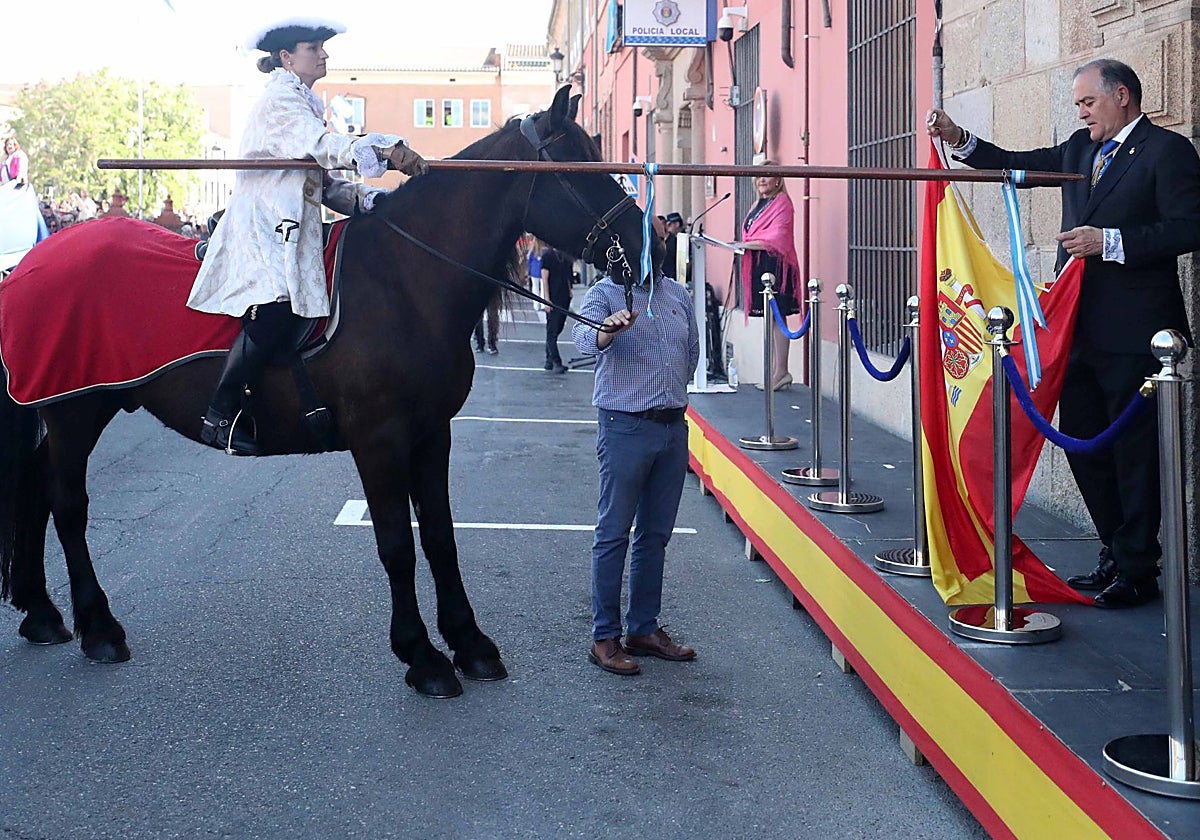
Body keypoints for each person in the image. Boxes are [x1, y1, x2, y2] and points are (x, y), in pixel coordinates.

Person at [927, 58, 1200, 609]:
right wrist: (959, 138)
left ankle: (1139, 567)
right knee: (1082, 443)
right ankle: (1113, 548)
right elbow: (1014, 164)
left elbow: (1189, 226)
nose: (1080, 112)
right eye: (1077, 104)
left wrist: (1112, 242)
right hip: (1074, 329)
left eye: (1088, 102)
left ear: (1122, 95)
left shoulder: (1167, 151)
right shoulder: (1079, 148)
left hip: (1138, 331)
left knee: (1134, 453)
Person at [186, 16, 427, 454]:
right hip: (263, 226)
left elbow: (322, 183)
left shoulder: (305, 103)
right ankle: (219, 412)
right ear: (287, 58)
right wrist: (384, 150)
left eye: (322, 48)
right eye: (314, 48)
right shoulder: (281, 102)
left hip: (291, 224)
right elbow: (324, 146)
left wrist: (373, 201)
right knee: (278, 308)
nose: (324, 55)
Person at [571, 217, 700, 676]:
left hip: (672, 428)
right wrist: (608, 330)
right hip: (625, 428)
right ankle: (604, 637)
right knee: (613, 534)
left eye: (660, 238)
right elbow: (584, 339)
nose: (655, 245)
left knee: (655, 536)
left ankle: (643, 628)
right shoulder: (606, 294)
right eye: (646, 240)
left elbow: (692, 355)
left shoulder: (677, 294)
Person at [737, 164, 800, 391]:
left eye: (767, 176)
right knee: (770, 319)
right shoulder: (757, 204)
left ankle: (781, 371)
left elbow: (779, 237)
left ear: (777, 180)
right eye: (759, 176)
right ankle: (776, 371)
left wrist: (746, 244)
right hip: (759, 262)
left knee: (778, 317)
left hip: (777, 266)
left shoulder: (782, 202)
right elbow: (751, 231)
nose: (761, 180)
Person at [540, 245, 574, 373]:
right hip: (553, 297)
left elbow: (568, 276)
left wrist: (570, 291)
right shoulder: (547, 256)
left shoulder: (566, 257)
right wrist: (546, 300)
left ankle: (549, 360)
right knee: (552, 331)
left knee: (558, 328)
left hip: (564, 296)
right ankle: (556, 361)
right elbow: (545, 278)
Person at [661, 211, 684, 280]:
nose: (667, 227)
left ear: (677, 224)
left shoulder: (678, 241)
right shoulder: (666, 241)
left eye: (669, 224)